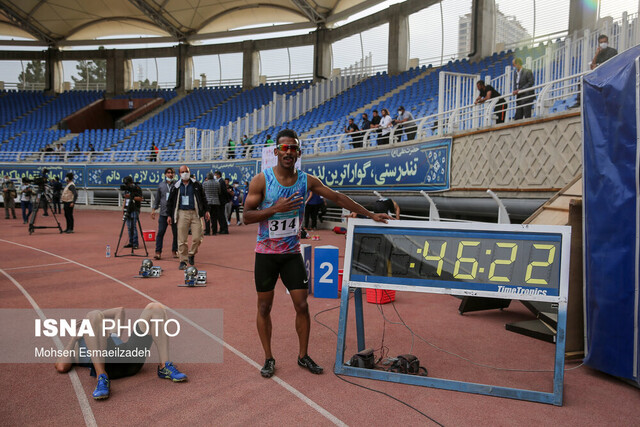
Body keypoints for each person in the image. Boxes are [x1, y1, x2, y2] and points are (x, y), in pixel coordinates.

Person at [243, 129, 392, 379]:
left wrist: (370, 214)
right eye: (284, 148)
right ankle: (268, 358)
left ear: (299, 152)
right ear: (276, 152)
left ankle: (303, 356)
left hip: (291, 254)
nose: (289, 152)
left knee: (302, 305)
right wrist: (275, 208)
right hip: (266, 255)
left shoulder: (306, 181)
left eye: (293, 148)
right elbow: (246, 216)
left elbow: (337, 197)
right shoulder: (261, 180)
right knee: (264, 308)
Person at [54, 303, 187, 401]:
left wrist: (92, 319)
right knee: (93, 314)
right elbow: (61, 366)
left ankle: (164, 366)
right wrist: (73, 338)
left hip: (130, 357)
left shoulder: (112, 334)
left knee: (155, 308)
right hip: (108, 367)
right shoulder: (78, 345)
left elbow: (120, 310)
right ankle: (101, 377)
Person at [167, 165, 210, 270]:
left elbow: (203, 198)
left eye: (186, 171)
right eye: (182, 172)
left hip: (195, 213)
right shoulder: (176, 186)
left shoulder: (196, 184)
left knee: (198, 237)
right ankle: (183, 261)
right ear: (179, 174)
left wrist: (206, 210)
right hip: (182, 213)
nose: (185, 173)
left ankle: (191, 253)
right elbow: (170, 202)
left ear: (189, 172)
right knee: (181, 239)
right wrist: (169, 215)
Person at [151, 167, 178, 260]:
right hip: (163, 213)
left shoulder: (177, 185)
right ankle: (158, 252)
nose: (170, 174)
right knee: (160, 233)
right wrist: (154, 209)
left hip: (174, 214)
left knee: (176, 233)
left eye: (172, 173)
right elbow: (157, 199)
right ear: (165, 174)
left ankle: (175, 251)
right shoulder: (161, 185)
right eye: (169, 173)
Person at [122, 176, 142, 246]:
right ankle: (131, 242)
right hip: (127, 209)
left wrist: (131, 197)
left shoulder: (137, 188)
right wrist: (123, 208)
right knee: (129, 227)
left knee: (133, 226)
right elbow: (125, 199)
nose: (126, 185)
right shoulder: (127, 189)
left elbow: (140, 198)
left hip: (134, 208)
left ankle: (135, 243)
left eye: (127, 184)